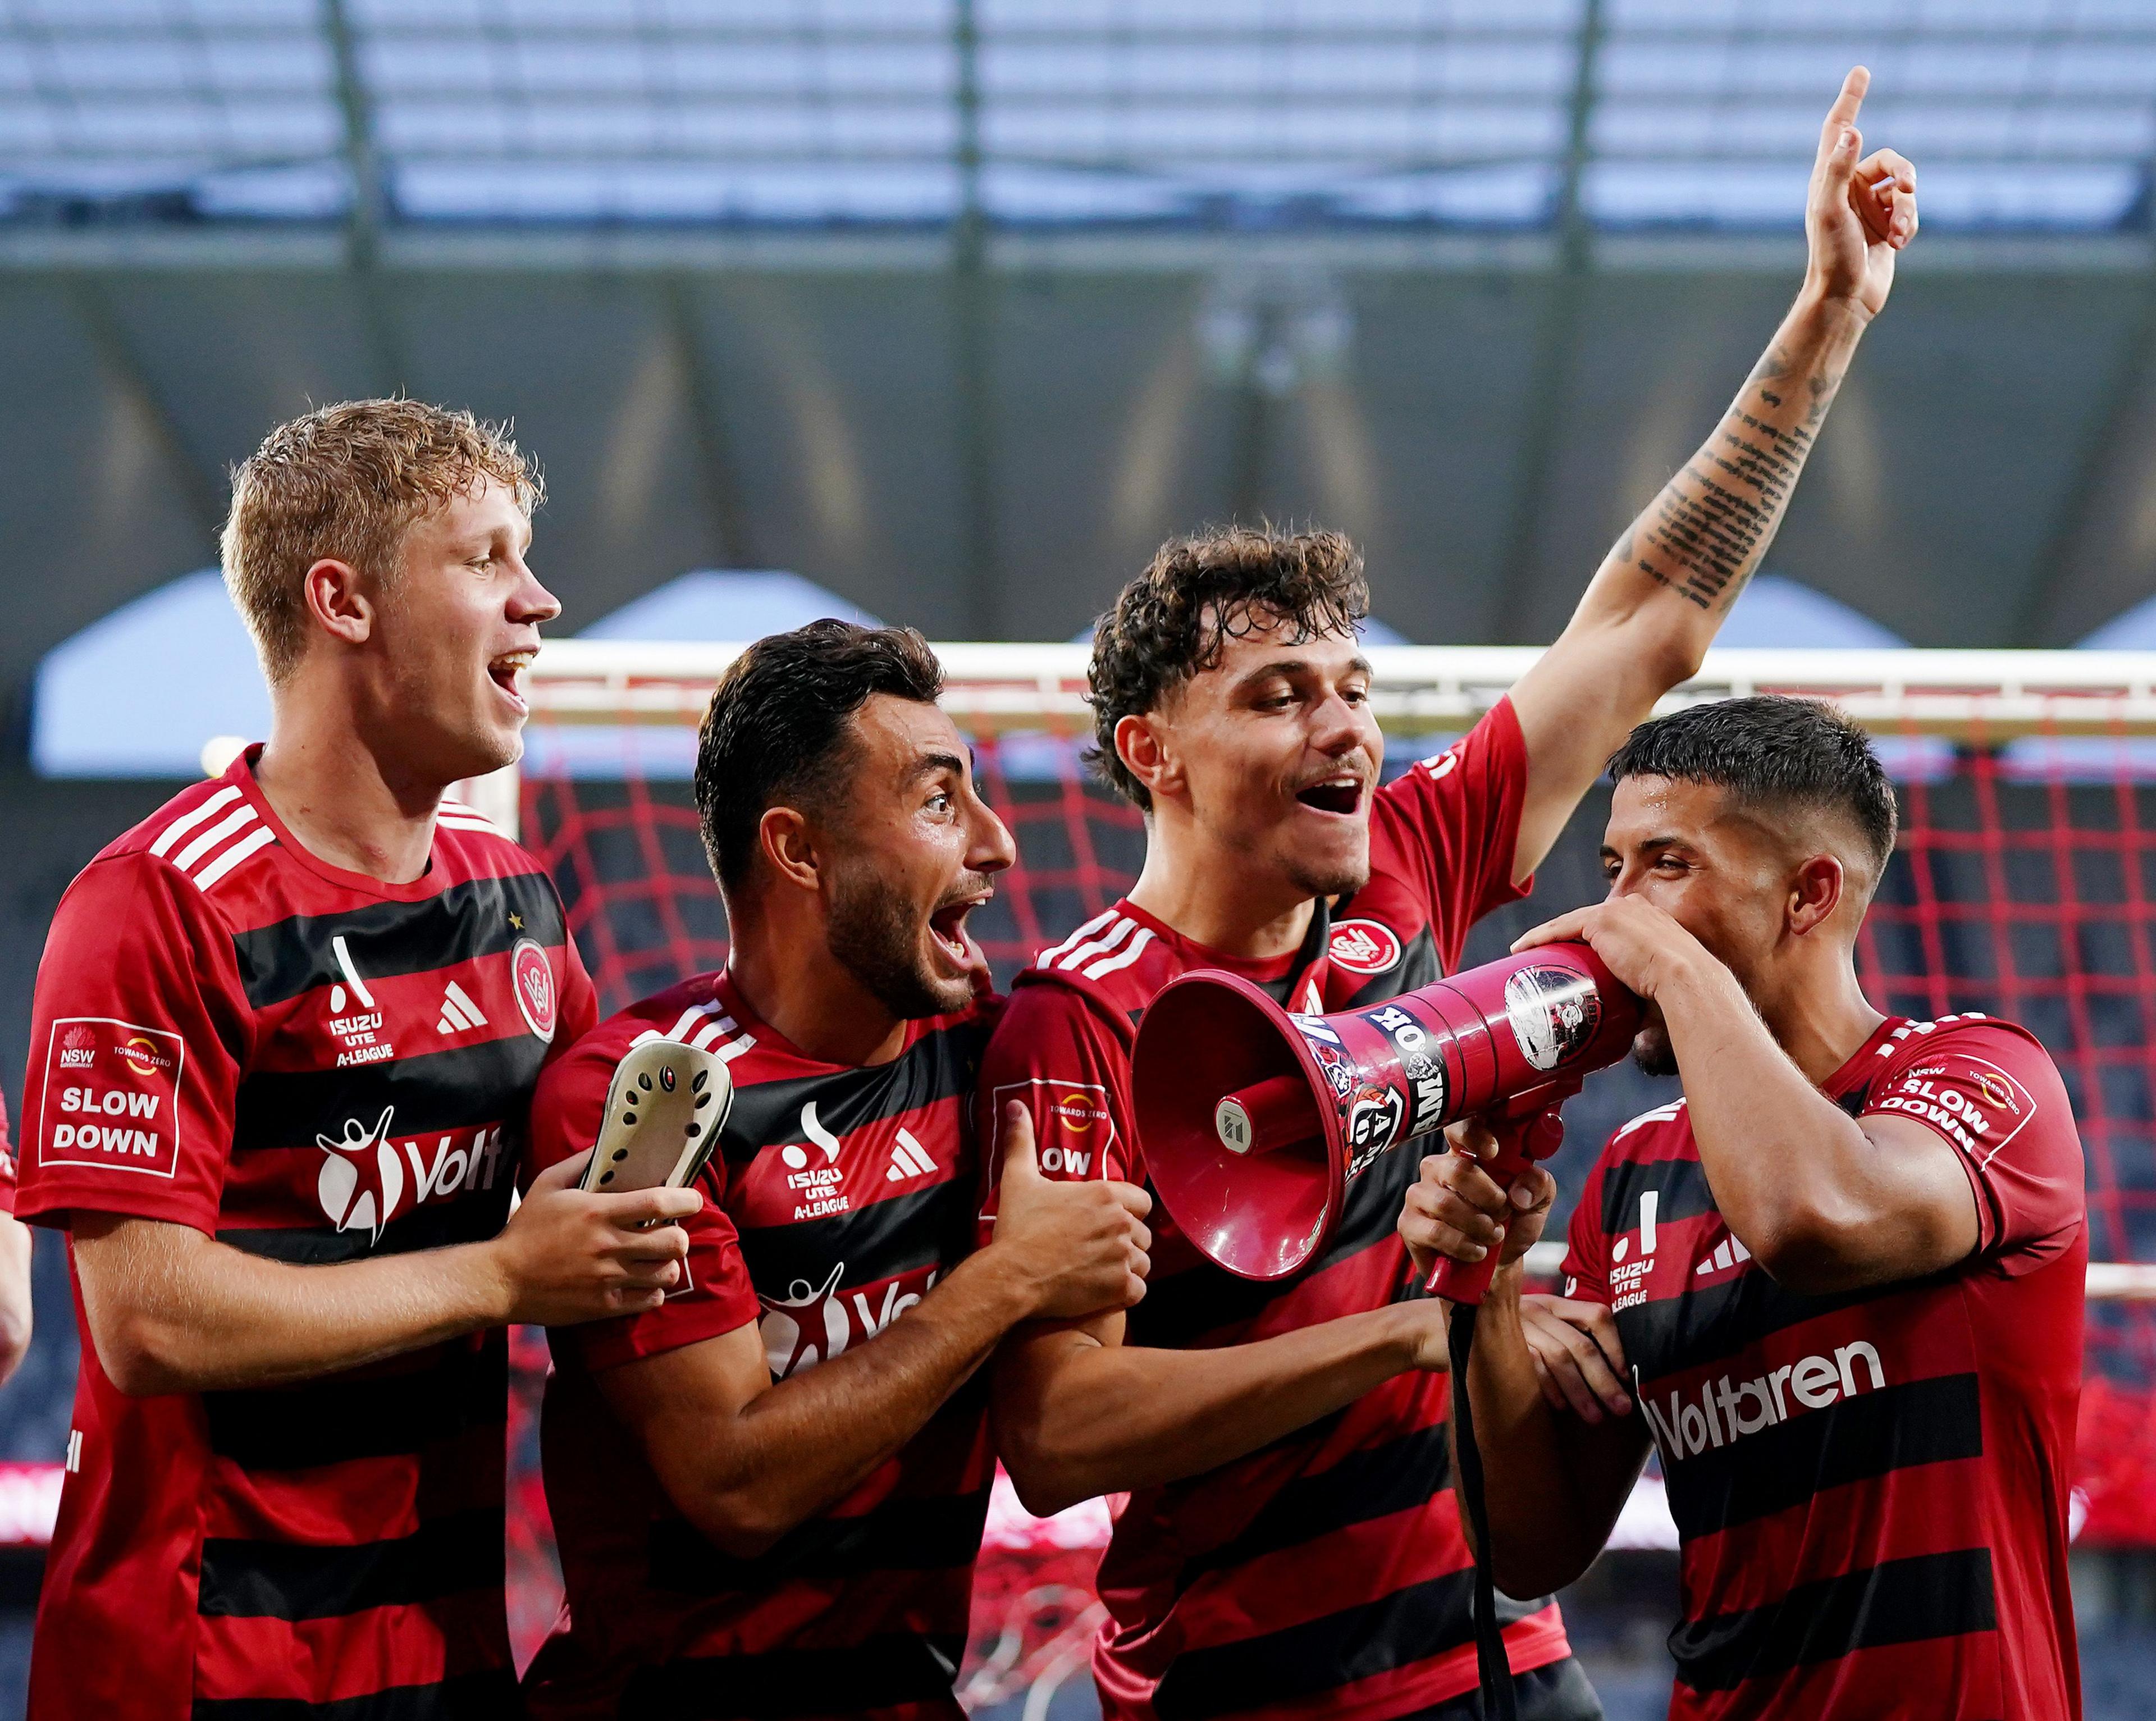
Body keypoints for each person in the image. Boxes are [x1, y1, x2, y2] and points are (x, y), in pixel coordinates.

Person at [980, 67, 1920, 1721]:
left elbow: (1652, 619)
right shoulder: (1072, 1018)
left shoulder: (1413, 847)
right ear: (1155, 753)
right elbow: (1058, 1435)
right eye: (1278, 695)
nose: (1345, 722)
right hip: (1249, 1683)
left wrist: (1829, 316)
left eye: (1355, 687)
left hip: (1504, 1650)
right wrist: (1403, 1342)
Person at [13, 400, 702, 1721]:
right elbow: (148, 1319)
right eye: (487, 559)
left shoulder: (518, 899)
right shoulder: (159, 903)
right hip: (201, 1660)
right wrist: (503, 1272)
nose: (540, 602)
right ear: (343, 600)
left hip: (447, 1643)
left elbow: (606, 1194)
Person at [1403, 696, 2085, 1719]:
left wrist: (1673, 966)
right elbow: (1535, 1543)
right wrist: (1489, 1283)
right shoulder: (1635, 1169)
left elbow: (1813, 1216)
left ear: (1810, 896)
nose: (1616, 913)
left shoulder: (1981, 1075)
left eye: (1667, 867)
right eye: (1613, 870)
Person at [520, 622, 1153, 1721]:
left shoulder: (1002, 1058)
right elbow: (735, 1484)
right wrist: (1007, 1280)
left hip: (908, 1690)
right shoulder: (650, 1098)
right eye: (939, 802)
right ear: (798, 850)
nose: (1000, 846)